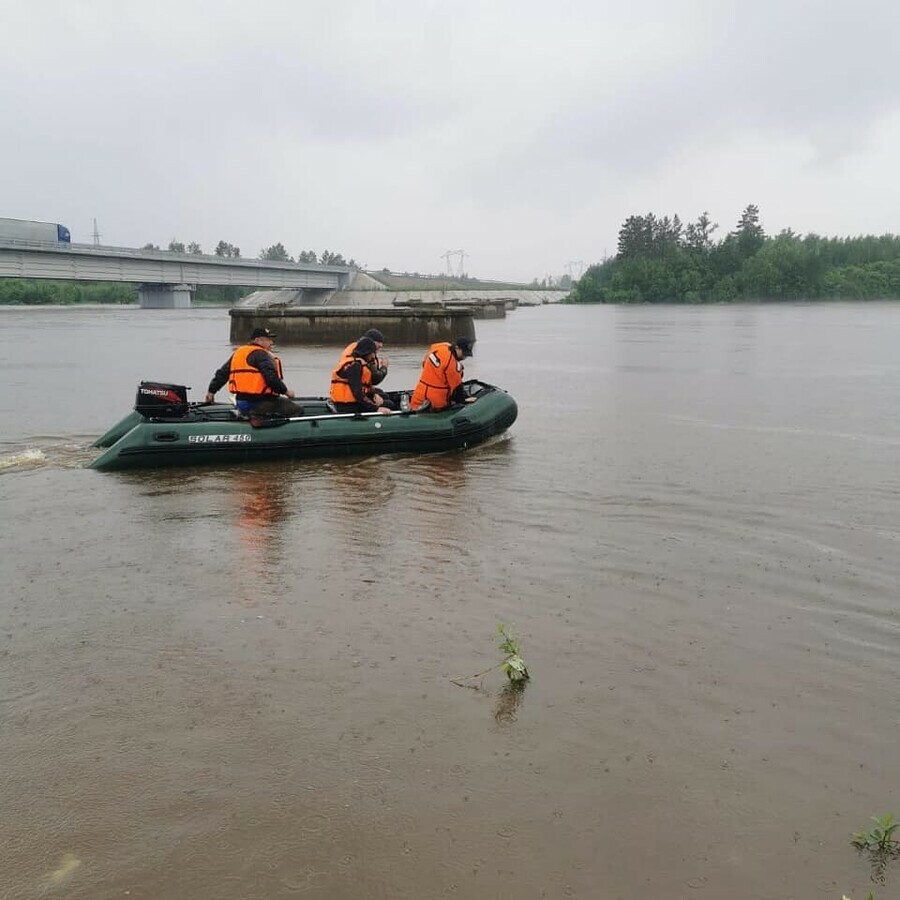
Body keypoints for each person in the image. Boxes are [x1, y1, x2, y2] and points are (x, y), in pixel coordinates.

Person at [205, 327, 301, 417]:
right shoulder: (261, 354)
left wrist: (211, 392)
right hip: (260, 402)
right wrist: (286, 392)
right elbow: (271, 378)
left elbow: (222, 374)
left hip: (241, 402)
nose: (271, 342)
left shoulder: (238, 353)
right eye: (268, 339)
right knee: (296, 410)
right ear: (258, 340)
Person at [330, 336, 396, 414]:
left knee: (385, 398)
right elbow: (357, 393)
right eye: (372, 353)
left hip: (353, 402)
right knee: (389, 404)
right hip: (348, 406)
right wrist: (376, 408)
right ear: (366, 352)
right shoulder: (355, 366)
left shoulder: (358, 363)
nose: (373, 356)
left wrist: (373, 395)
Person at [410, 336, 476, 411]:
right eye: (464, 354)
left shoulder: (441, 347)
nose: (464, 357)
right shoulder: (451, 363)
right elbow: (456, 388)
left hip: (419, 395)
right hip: (434, 403)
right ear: (457, 348)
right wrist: (464, 400)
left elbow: (424, 363)